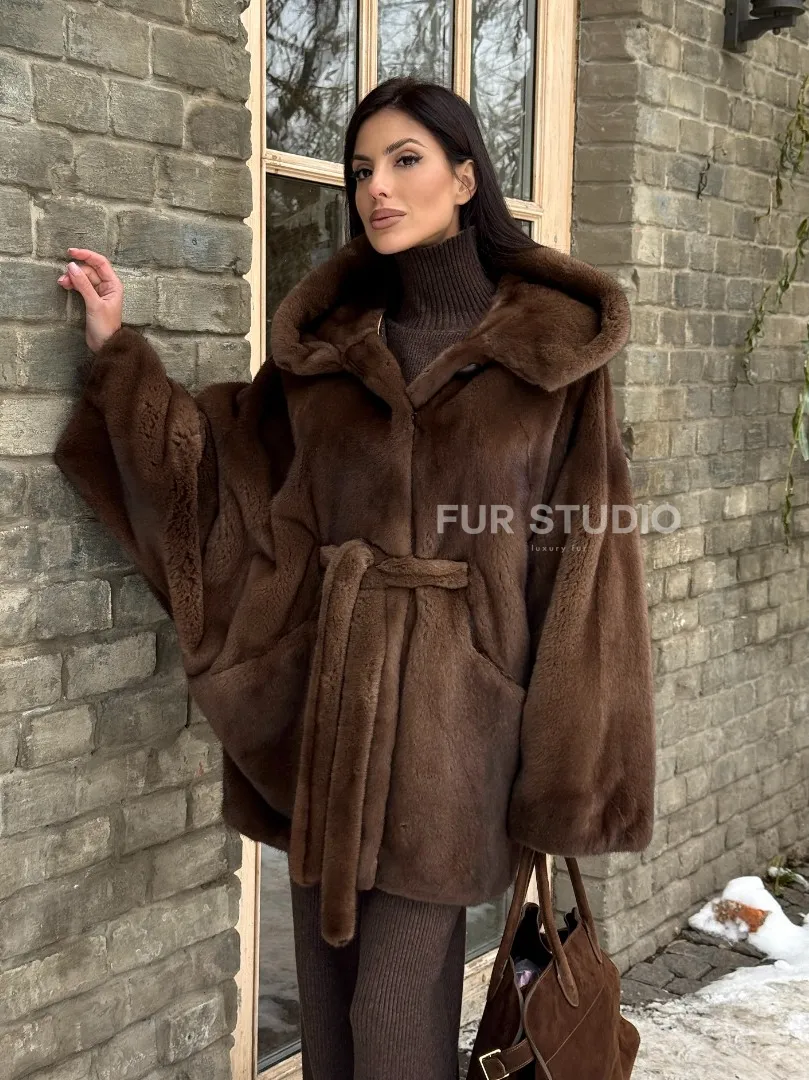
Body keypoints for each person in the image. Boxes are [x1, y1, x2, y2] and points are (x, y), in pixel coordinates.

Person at [54, 77, 656, 1080]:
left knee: (390, 1017)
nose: (376, 186)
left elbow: (587, 570)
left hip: (461, 734)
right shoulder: (325, 353)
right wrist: (119, 357)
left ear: (464, 177)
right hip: (331, 721)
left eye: (405, 160)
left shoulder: (551, 359)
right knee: (331, 1022)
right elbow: (222, 482)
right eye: (360, 168)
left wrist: (567, 776)